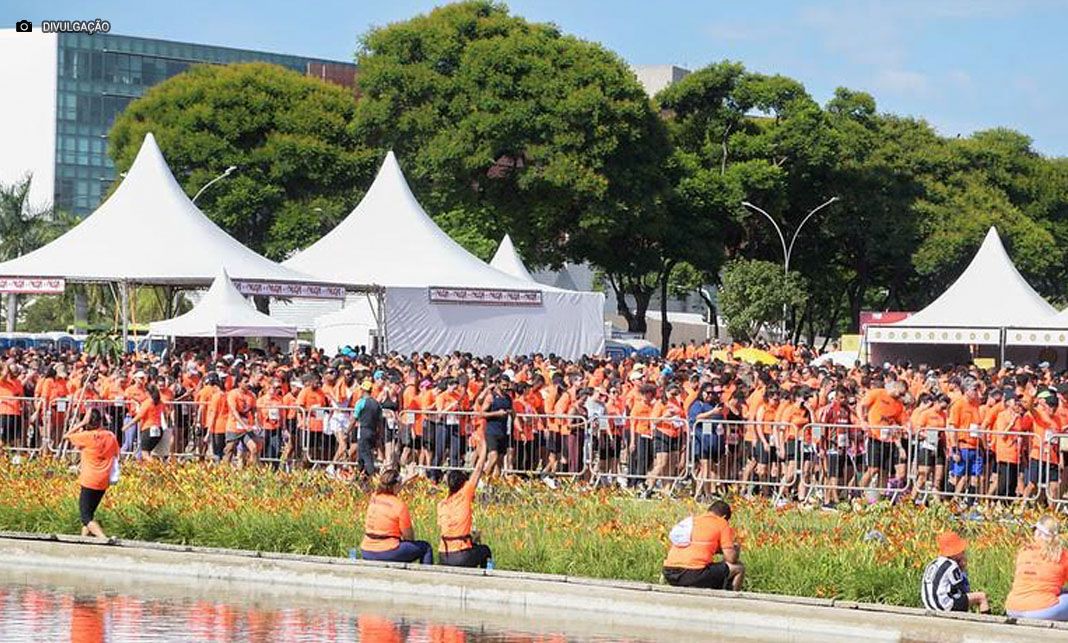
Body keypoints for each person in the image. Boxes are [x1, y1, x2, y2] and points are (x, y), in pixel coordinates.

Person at [662, 499, 744, 591]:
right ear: (724, 517)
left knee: (714, 569)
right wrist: (736, 549)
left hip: (669, 572)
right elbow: (731, 558)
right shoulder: (722, 523)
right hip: (692, 573)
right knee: (738, 568)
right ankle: (730, 600)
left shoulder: (693, 520)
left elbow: (698, 546)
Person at [437, 436, 493, 567]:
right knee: (485, 550)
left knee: (473, 546)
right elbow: (478, 469)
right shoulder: (465, 493)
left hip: (443, 554)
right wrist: (484, 447)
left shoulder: (441, 504)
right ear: (462, 484)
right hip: (460, 555)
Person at [63, 409, 119, 538]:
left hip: (89, 480)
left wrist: (81, 423)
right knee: (90, 513)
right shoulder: (110, 436)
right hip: (103, 480)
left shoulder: (86, 437)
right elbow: (116, 453)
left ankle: (103, 538)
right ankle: (83, 540)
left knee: (85, 517)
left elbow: (66, 436)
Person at [359, 467, 433, 564]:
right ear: (396, 486)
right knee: (425, 547)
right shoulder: (399, 505)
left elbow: (390, 484)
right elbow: (409, 538)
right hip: (387, 551)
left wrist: (407, 479)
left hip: (367, 550)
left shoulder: (374, 497)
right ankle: (425, 578)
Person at [1005, 516, 1068, 620]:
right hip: (1041, 610)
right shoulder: (1061, 555)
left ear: (1038, 533)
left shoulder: (1024, 551)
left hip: (1013, 608)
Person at [920, 531, 990, 614]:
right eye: (961, 551)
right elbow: (964, 589)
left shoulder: (933, 563)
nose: (963, 552)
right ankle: (986, 625)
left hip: (930, 605)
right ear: (955, 552)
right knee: (981, 596)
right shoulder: (951, 565)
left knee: (961, 598)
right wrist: (963, 568)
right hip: (944, 604)